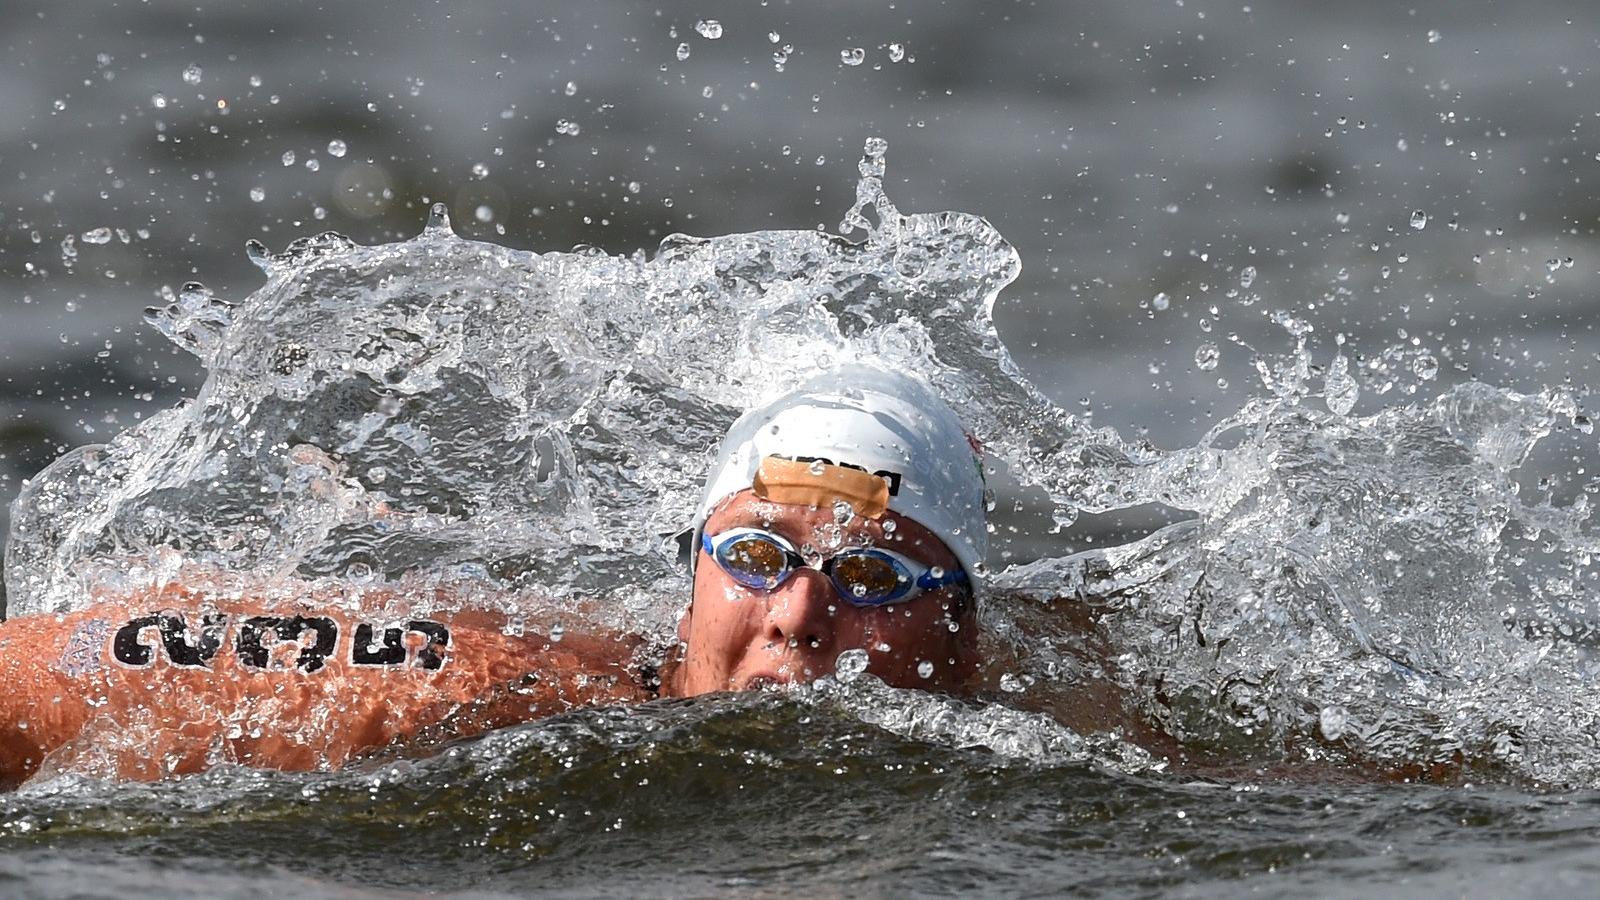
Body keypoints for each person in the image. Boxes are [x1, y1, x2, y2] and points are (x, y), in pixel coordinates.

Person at [0, 363, 995, 787]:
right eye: (755, 555)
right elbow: (78, 667)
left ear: (963, 626)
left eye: (868, 573)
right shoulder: (487, 683)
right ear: (687, 569)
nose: (797, 613)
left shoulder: (1062, 711)